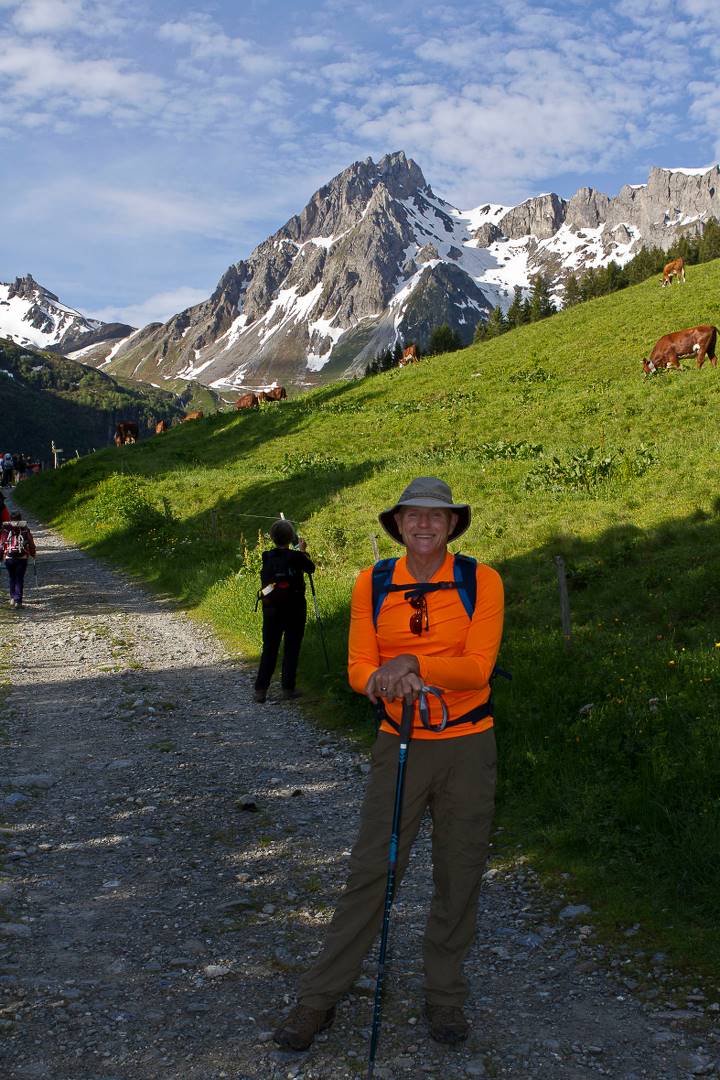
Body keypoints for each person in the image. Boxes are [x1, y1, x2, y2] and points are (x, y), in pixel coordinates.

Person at [273, 477, 504, 1051]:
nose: (424, 525)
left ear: (452, 525)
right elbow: (357, 669)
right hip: (397, 741)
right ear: (398, 525)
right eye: (412, 517)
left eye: (436, 517)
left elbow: (477, 669)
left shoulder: (481, 580)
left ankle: (445, 999)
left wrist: (407, 663)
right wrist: (382, 676)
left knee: (460, 874)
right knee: (372, 873)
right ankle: (318, 999)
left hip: (469, 745)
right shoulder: (373, 583)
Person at [254, 519, 315, 703]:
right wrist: (303, 551)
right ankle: (288, 689)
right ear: (291, 538)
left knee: (270, 649)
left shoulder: (267, 557)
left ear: (272, 538)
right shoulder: (296, 557)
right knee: (291, 647)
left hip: (271, 608)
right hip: (295, 608)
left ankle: (260, 690)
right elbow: (311, 569)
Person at [0, 511, 37, 608]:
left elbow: (1, 544)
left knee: (12, 578)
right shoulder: (24, 529)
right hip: (22, 557)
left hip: (9, 557)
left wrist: (1, 556)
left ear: (10, 519)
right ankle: (18, 601)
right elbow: (31, 543)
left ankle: (12, 598)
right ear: (20, 519)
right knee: (19, 579)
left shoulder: (6, 529)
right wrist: (33, 554)